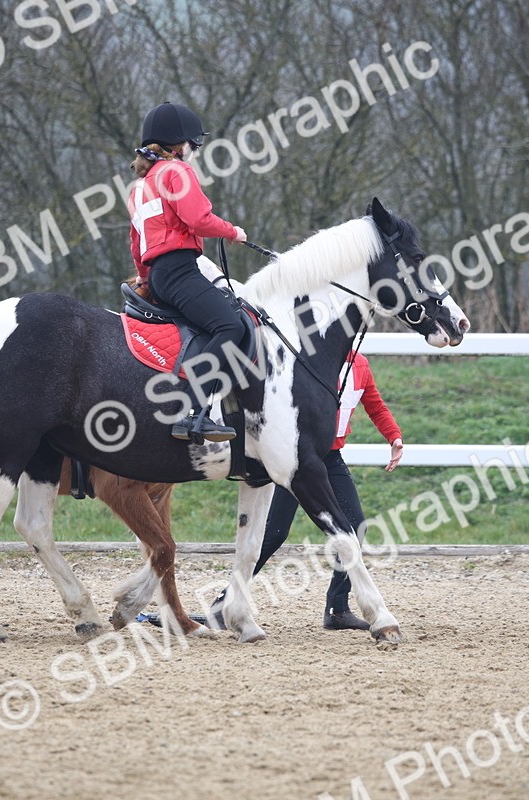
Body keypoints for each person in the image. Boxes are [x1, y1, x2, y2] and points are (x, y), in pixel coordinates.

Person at [211, 352, 404, 631]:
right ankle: (226, 601)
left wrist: (394, 436)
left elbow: (375, 405)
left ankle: (338, 608)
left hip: (330, 457)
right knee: (273, 534)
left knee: (355, 527)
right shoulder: (309, 361)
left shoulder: (361, 366)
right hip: (297, 460)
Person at [128, 102, 247, 444]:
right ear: (180, 145)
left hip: (159, 275)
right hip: (180, 271)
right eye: (194, 145)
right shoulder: (176, 172)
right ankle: (194, 414)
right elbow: (198, 220)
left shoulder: (139, 188)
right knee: (230, 324)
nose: (194, 152)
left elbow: (136, 243)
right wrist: (232, 231)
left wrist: (145, 278)